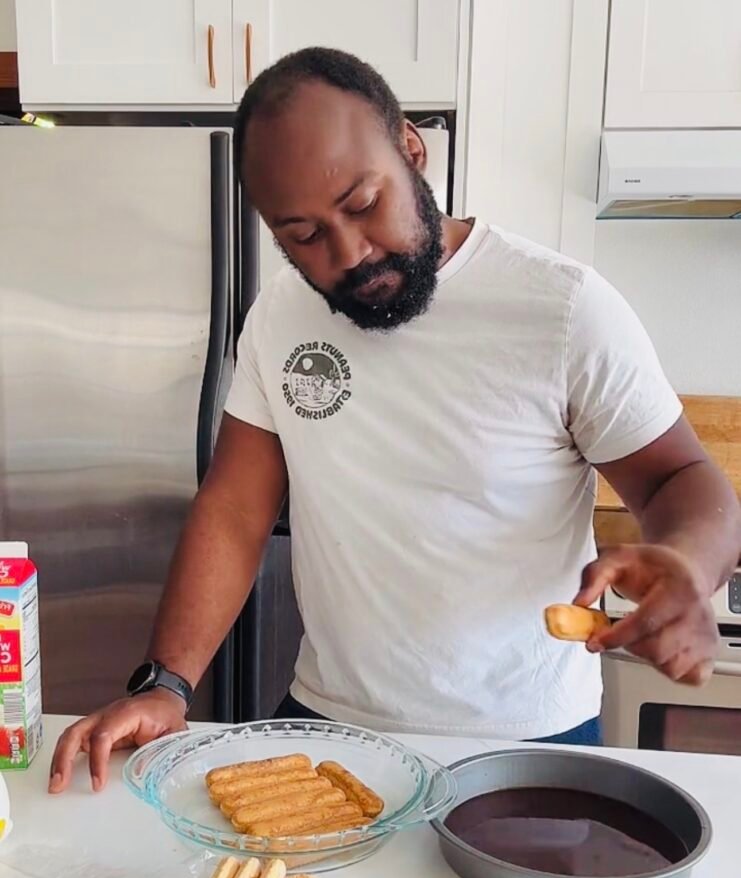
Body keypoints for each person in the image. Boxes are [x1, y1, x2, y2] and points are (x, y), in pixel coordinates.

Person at [49, 48, 740, 793]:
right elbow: (234, 508)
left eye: (360, 204)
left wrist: (688, 564)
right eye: (303, 236)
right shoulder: (282, 315)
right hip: (328, 723)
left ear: (410, 149)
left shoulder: (562, 307)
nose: (349, 253)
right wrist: (167, 683)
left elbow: (678, 475)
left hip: (526, 735)